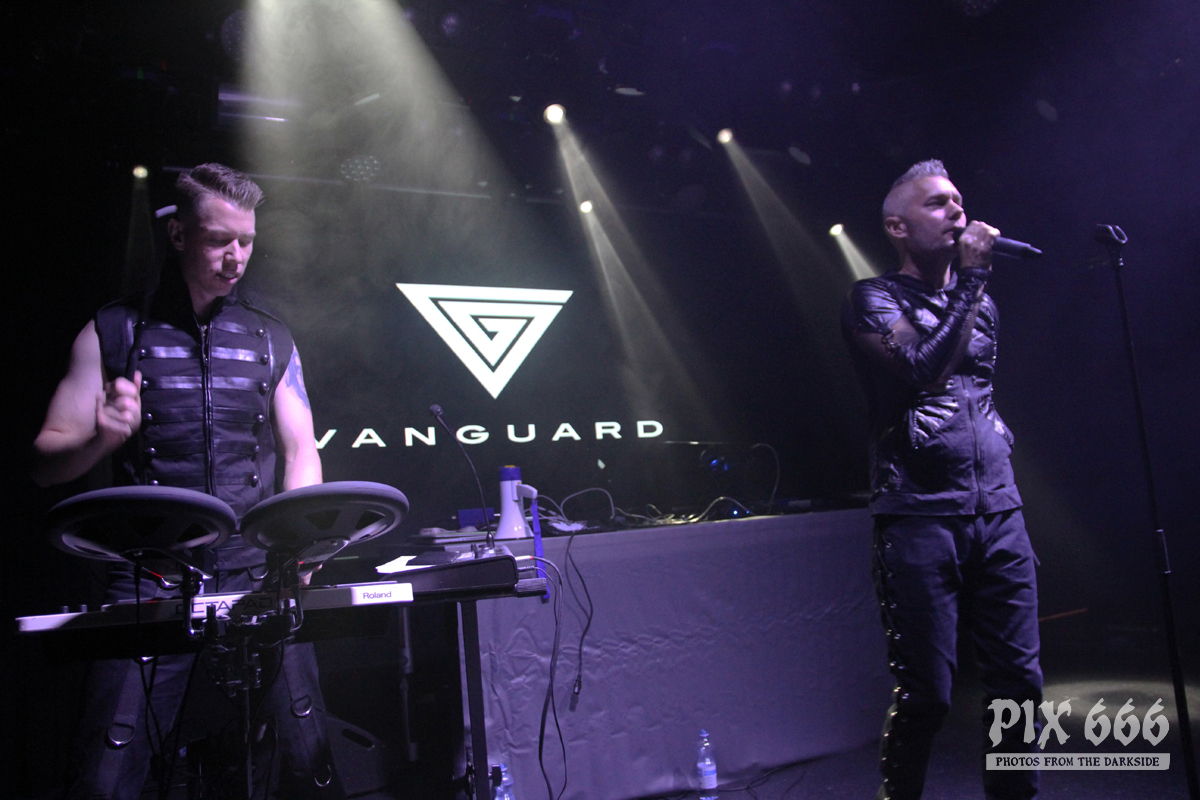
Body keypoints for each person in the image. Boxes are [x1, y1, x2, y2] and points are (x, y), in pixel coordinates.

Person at [33, 164, 342, 799]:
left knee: (305, 762)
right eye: (219, 240)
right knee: (106, 775)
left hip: (257, 578)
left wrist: (301, 543)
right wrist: (101, 438)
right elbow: (44, 462)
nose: (236, 257)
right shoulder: (112, 331)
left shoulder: (270, 336)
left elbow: (301, 450)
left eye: (246, 241)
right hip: (148, 578)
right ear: (178, 235)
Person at [841, 160, 1042, 800]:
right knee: (928, 692)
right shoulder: (873, 299)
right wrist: (974, 278)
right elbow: (923, 370)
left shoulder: (983, 305)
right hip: (919, 514)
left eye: (958, 200)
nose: (957, 211)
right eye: (937, 203)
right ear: (897, 227)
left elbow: (977, 391)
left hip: (999, 510)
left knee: (1019, 685)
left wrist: (973, 287)